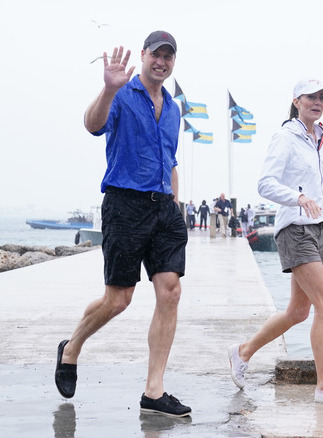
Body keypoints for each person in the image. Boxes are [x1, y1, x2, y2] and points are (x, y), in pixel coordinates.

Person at [54, 30, 192, 418]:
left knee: (171, 292)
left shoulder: (174, 109)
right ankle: (71, 348)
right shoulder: (121, 95)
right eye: (156, 54)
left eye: (169, 56)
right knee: (119, 299)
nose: (161, 62)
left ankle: (154, 391)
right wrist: (108, 89)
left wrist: (175, 207)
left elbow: (171, 159)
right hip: (124, 205)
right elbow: (91, 124)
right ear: (144, 55)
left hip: (163, 209)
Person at [227, 78, 323, 406]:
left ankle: (242, 352)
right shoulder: (285, 137)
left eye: (322, 97)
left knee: (299, 311)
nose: (318, 101)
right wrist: (298, 198)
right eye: (311, 96)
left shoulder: (321, 140)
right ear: (296, 100)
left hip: (318, 230)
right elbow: (265, 184)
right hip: (294, 228)